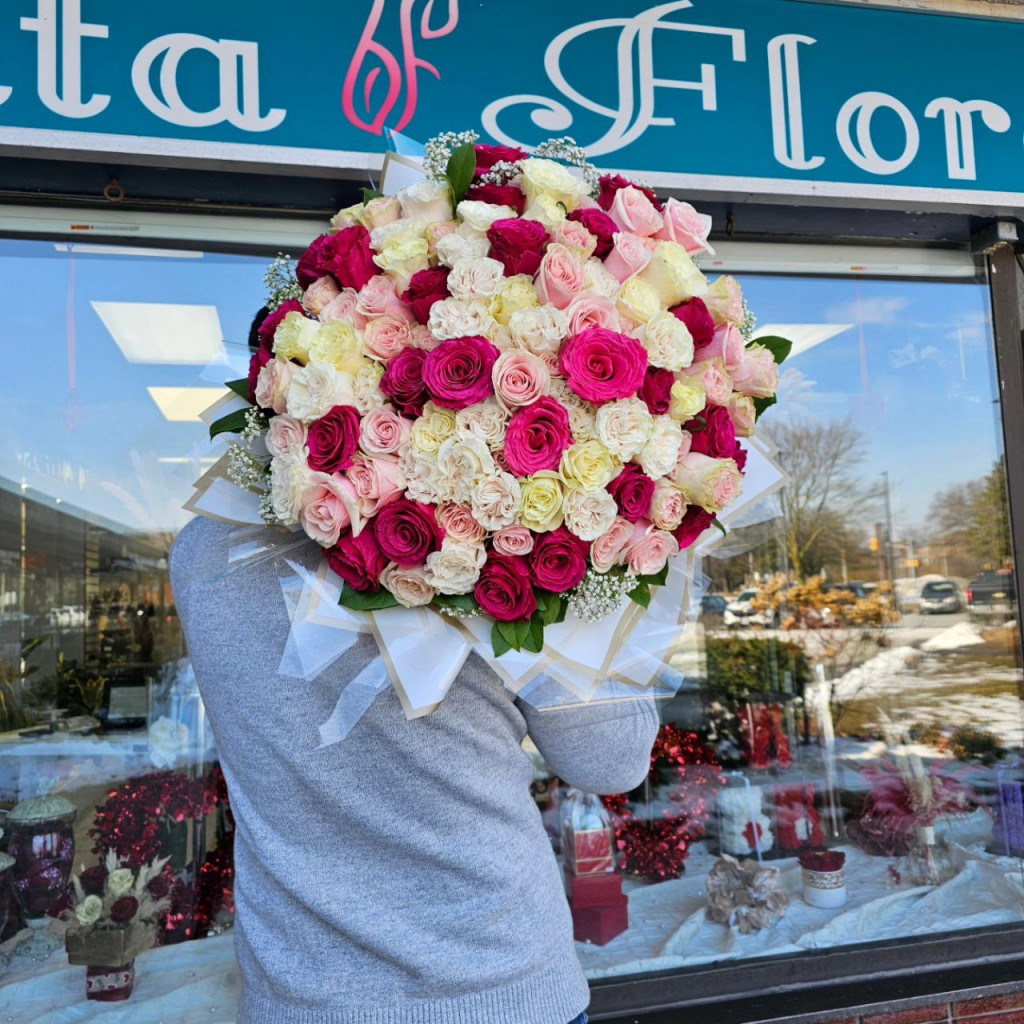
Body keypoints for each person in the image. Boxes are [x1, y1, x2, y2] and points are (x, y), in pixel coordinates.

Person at [170, 513, 659, 1024]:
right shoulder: (486, 520)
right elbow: (610, 757)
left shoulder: (204, 549)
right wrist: (607, 565)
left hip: (302, 991)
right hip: (495, 982)